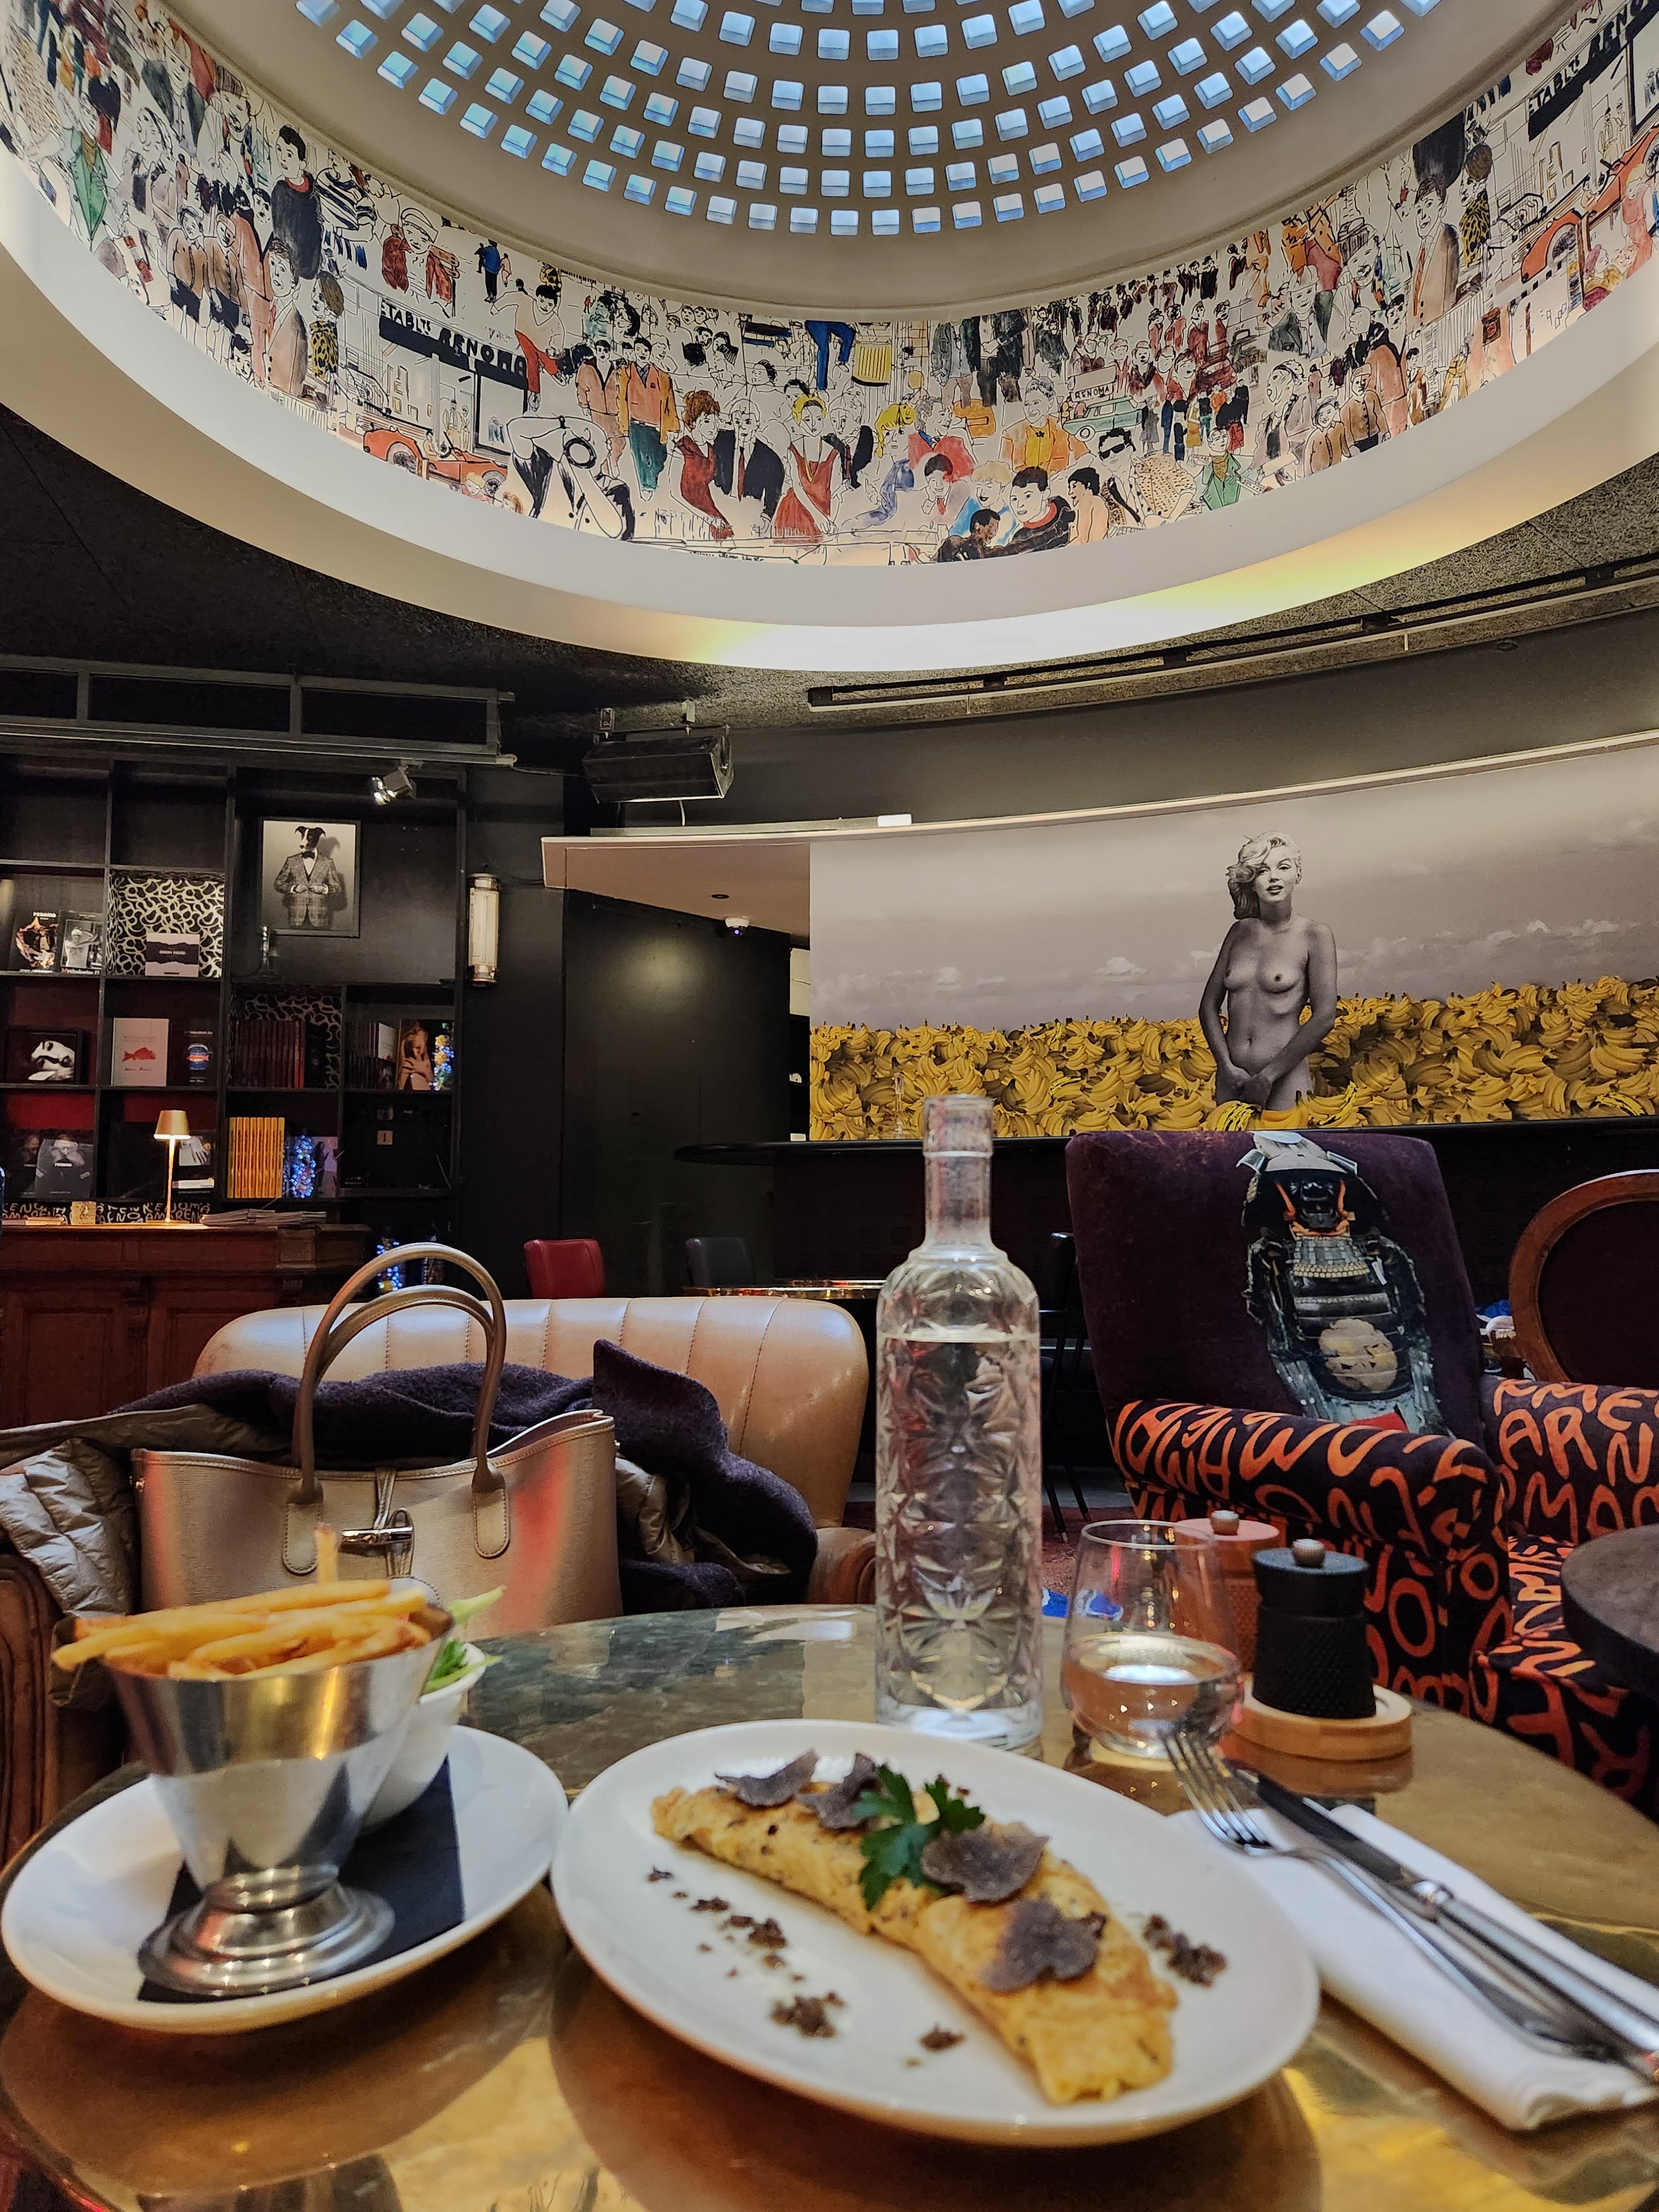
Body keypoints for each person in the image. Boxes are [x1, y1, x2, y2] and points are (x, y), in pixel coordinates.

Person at [1198, 833, 1337, 1112]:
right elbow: (1208, 1006)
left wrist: (1269, 1077)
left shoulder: (1315, 935)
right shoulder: (1239, 933)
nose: (1274, 877)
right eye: (1263, 870)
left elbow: (1324, 1017)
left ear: (1298, 874)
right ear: (1252, 880)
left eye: (1283, 867)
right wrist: (1225, 1066)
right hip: (1232, 1081)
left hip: (1284, 1082)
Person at [618, 335, 680, 497]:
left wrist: (673, 427)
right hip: (636, 424)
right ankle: (647, 487)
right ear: (634, 352)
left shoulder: (662, 377)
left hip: (656, 426)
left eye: (645, 351)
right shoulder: (626, 374)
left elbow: (670, 402)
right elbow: (622, 400)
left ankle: (653, 483)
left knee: (659, 458)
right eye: (639, 350)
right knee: (640, 459)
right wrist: (624, 426)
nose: (642, 353)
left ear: (650, 353)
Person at [269, 123, 322, 283]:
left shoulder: (315, 195)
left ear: (302, 164)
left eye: (289, 154)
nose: (283, 158)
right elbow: (279, 233)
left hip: (308, 271)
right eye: (279, 150)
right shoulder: (279, 192)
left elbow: (317, 234)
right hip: (285, 270)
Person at [272, 825, 343, 930]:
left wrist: (325, 889)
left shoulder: (328, 863)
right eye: (303, 837)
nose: (303, 842)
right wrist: (293, 888)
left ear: (317, 839)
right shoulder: (292, 861)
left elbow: (337, 888)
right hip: (296, 918)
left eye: (309, 837)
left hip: (319, 919)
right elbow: (278, 884)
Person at [989, 467, 1073, 556]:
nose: (1019, 505)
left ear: (1045, 494)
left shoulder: (1062, 507)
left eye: (1028, 496)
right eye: (1014, 499)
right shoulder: (1021, 537)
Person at [1066, 466, 1111, 542]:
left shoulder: (1087, 502)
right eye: (1070, 488)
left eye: (1074, 486)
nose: (1070, 493)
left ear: (1088, 485)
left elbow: (1083, 539)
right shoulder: (1097, 502)